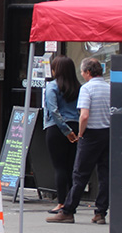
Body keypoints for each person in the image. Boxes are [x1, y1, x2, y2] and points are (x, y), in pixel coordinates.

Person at [47, 57, 110, 225]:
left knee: (80, 174)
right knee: (104, 174)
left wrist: (81, 133)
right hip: (107, 133)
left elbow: (84, 115)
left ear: (88, 72)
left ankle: (68, 210)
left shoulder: (87, 89)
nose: (81, 75)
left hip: (91, 134)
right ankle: (101, 212)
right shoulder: (109, 88)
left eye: (82, 72)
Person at [43, 56, 80, 215]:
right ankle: (72, 203)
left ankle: (61, 202)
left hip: (57, 129)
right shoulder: (78, 87)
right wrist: (74, 130)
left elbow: (53, 111)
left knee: (59, 167)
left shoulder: (52, 87)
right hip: (76, 125)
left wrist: (65, 130)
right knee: (72, 166)